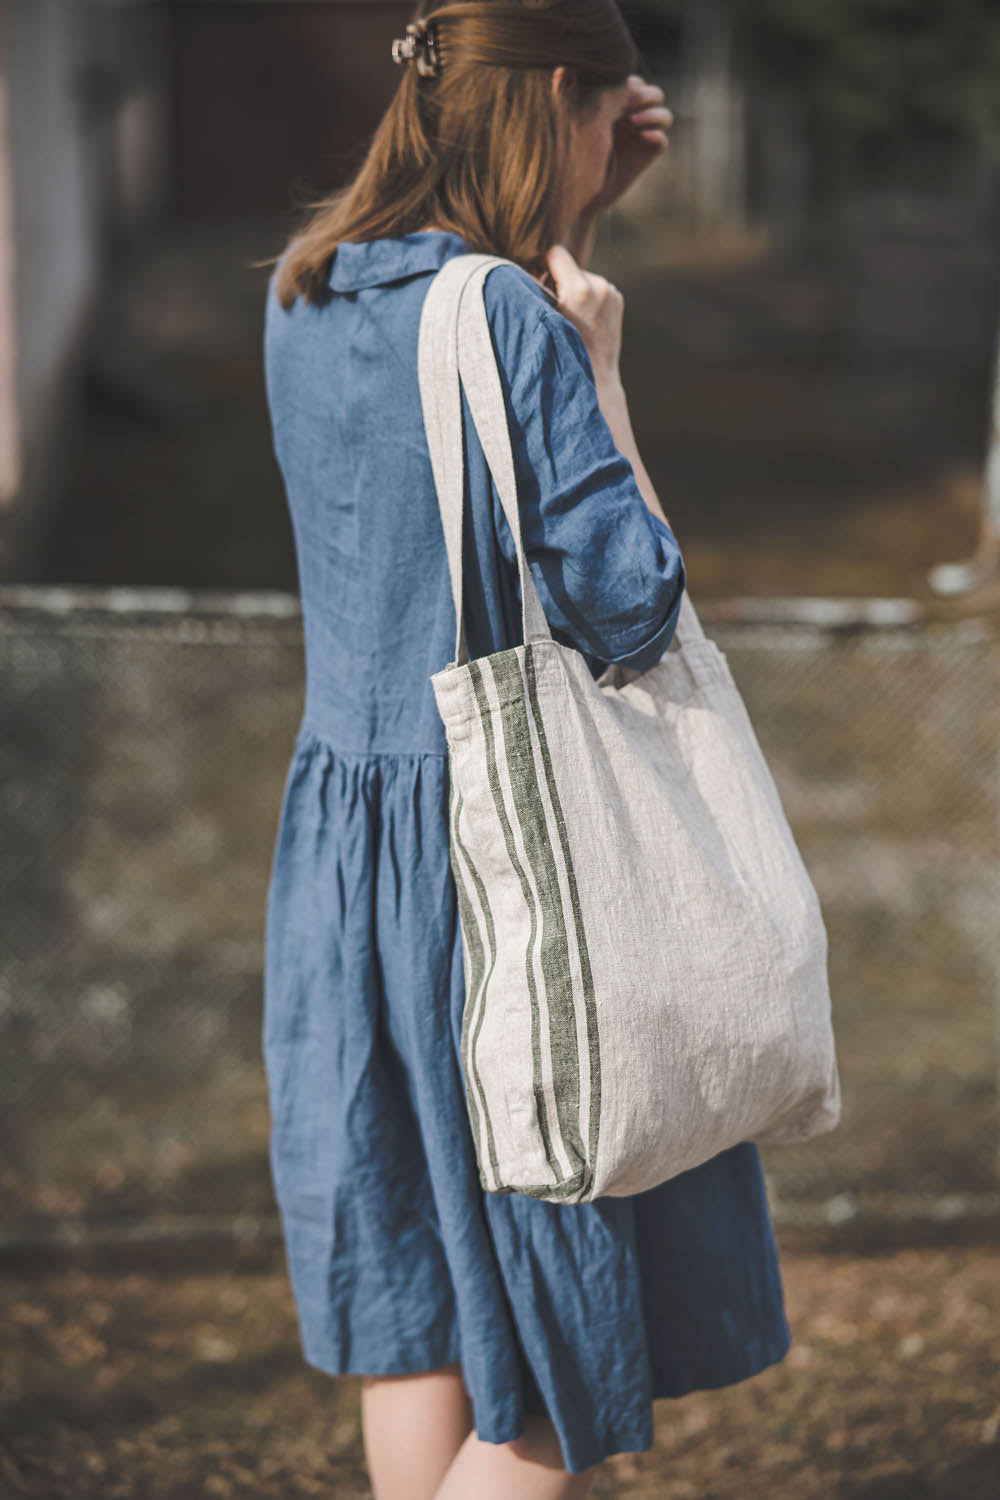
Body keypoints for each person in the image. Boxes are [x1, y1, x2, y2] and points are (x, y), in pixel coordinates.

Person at [260, 3, 792, 1497]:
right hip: (505, 877)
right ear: (563, 93)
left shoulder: (307, 288)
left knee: (420, 1310)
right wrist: (598, 362)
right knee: (556, 1351)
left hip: (347, 859)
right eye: (607, 113)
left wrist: (572, 216)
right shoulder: (511, 318)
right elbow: (631, 607)